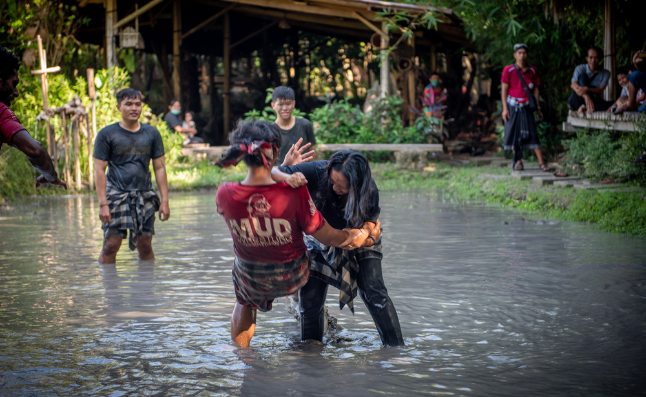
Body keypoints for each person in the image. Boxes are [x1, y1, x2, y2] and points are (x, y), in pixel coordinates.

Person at [214, 120, 371, 347]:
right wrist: (356, 235)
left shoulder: (225, 193)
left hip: (252, 277)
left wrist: (279, 171)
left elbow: (259, 198)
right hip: (293, 274)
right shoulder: (295, 192)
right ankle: (297, 300)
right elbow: (327, 236)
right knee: (311, 244)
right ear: (275, 151)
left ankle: (242, 356)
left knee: (243, 298)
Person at [272, 149, 404, 347]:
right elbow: (272, 171)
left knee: (373, 289)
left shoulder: (369, 191)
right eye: (332, 183)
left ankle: (395, 349)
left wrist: (363, 234)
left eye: (341, 186)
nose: (334, 188)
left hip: (359, 236)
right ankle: (311, 349)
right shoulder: (317, 171)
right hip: (320, 238)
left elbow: (371, 223)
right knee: (311, 296)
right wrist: (288, 177)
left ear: (357, 186)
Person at [93, 88, 170, 264]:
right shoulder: (107, 134)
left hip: (145, 194)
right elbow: (99, 170)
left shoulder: (152, 134)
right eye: (128, 104)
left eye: (137, 104)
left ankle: (146, 288)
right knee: (111, 245)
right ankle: (108, 289)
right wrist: (103, 204)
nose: (134, 108)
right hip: (116, 195)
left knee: (145, 245)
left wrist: (164, 200)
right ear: (119, 107)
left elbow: (159, 168)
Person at [0, 46, 66, 190]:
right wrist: (51, 177)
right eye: (13, 84)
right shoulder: (0, 111)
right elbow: (36, 151)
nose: (16, 93)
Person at [501, 44, 548, 171]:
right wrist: (505, 109)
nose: (522, 55)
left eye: (524, 53)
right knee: (514, 135)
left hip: (527, 106)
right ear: (515, 55)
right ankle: (518, 162)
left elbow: (536, 90)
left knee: (533, 133)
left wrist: (537, 107)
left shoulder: (532, 70)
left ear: (527, 55)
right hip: (512, 106)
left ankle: (542, 163)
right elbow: (504, 90)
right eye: (519, 52)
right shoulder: (508, 70)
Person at [271, 86, 316, 165]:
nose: (284, 108)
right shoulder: (270, 130)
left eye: (288, 104)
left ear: (293, 104)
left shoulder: (305, 124)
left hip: (304, 173)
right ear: (273, 105)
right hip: (280, 175)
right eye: (280, 104)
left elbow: (312, 151)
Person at [568, 46, 613, 114]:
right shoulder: (580, 68)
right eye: (591, 57)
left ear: (600, 59)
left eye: (596, 58)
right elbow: (573, 85)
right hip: (578, 99)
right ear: (587, 58)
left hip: (594, 100)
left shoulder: (606, 73)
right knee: (582, 77)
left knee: (614, 103)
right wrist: (586, 97)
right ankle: (584, 105)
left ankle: (586, 107)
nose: (593, 61)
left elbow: (600, 91)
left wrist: (587, 88)